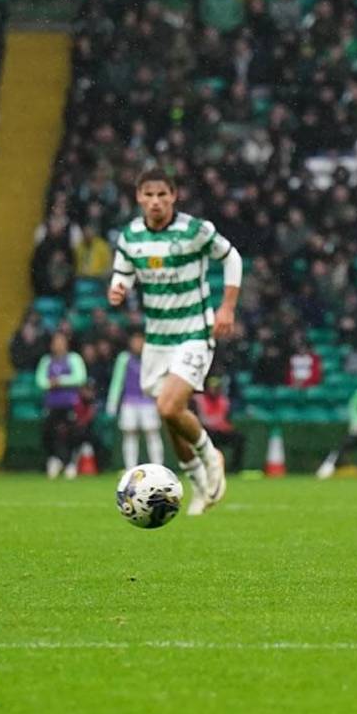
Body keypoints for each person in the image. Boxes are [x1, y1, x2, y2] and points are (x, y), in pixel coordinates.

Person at [108, 168, 242, 515]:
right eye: (148, 195)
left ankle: (212, 457)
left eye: (162, 195)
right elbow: (123, 272)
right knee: (170, 417)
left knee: (168, 407)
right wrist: (118, 287)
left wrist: (227, 307)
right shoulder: (130, 237)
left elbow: (231, 257)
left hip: (194, 334)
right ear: (138, 196)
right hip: (157, 340)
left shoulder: (194, 231)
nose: (155, 201)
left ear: (173, 196)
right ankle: (199, 486)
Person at [106, 330, 164, 470]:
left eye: (140, 341)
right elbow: (117, 382)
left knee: (152, 433)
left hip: (148, 402)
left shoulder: (151, 358)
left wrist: (160, 399)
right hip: (129, 402)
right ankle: (130, 468)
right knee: (130, 434)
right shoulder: (124, 359)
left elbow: (158, 379)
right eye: (135, 341)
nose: (137, 344)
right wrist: (112, 403)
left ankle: (158, 468)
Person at [35, 331, 87, 479]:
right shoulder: (46, 360)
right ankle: (55, 460)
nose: (58, 345)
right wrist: (49, 383)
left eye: (61, 341)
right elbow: (40, 380)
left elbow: (80, 377)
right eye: (55, 341)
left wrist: (59, 381)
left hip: (70, 403)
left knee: (72, 434)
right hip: (52, 404)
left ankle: (70, 463)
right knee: (50, 433)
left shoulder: (74, 359)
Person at [194, 376, 245, 472]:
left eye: (217, 388)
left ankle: (234, 468)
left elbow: (226, 419)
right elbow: (199, 419)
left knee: (239, 437)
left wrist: (226, 426)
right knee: (210, 437)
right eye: (212, 388)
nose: (214, 390)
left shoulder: (224, 401)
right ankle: (203, 468)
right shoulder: (199, 400)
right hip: (206, 431)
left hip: (221, 431)